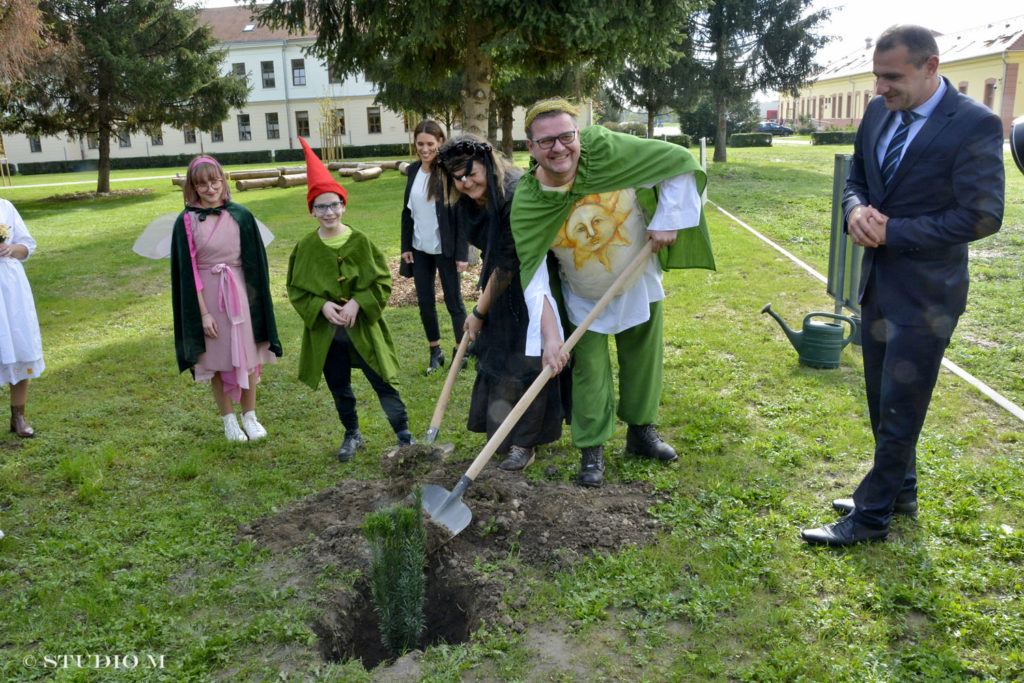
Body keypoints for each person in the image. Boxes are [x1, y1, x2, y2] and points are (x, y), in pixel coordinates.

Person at [801, 25, 1005, 546]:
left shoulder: (975, 124)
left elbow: (983, 217)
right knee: (879, 397)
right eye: (876, 76)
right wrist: (854, 211)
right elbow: (858, 178)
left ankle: (871, 517)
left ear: (931, 67)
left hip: (928, 295)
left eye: (892, 77)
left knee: (900, 405)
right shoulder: (876, 112)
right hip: (877, 285)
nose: (880, 88)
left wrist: (894, 231)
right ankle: (901, 493)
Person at [510, 98, 715, 487]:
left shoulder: (605, 150)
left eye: (567, 136)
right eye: (546, 141)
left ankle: (641, 434)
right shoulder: (529, 201)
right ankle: (592, 451)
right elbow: (534, 275)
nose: (559, 148)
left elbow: (677, 162)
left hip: (637, 278)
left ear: (577, 135)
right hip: (582, 296)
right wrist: (551, 337)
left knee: (643, 359)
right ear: (531, 148)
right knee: (590, 371)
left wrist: (667, 218)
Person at [436, 135, 569, 471]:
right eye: (458, 178)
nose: (466, 183)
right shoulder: (469, 201)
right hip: (498, 280)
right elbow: (492, 254)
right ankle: (503, 435)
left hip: (530, 280)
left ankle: (525, 444)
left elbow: (511, 261)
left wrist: (479, 311)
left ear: (489, 164)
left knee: (526, 359)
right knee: (498, 356)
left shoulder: (515, 194)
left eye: (471, 173)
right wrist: (483, 306)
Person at [287, 138, 414, 462]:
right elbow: (297, 289)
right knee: (339, 385)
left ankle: (404, 436)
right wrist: (322, 306)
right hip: (328, 334)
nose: (328, 212)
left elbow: (382, 281)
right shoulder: (305, 248)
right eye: (321, 206)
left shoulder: (360, 242)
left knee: (382, 380)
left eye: (334, 205)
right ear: (312, 210)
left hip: (362, 327)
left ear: (343, 205)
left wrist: (359, 302)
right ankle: (352, 433)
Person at [171, 156, 281, 442]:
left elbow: (255, 263)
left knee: (246, 356)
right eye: (202, 184)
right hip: (207, 294)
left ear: (223, 180)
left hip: (240, 293)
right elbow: (188, 269)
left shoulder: (241, 215)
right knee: (218, 358)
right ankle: (229, 421)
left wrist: (254, 302)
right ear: (193, 188)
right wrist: (203, 313)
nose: (210, 188)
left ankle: (250, 416)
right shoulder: (186, 221)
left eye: (214, 181)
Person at [400, 120, 469, 373]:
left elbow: (461, 215)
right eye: (420, 144)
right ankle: (435, 352)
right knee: (425, 302)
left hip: (446, 249)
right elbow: (407, 212)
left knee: (454, 302)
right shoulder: (413, 170)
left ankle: (461, 352)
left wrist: (463, 254)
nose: (425, 149)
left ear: (440, 142)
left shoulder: (448, 173)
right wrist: (405, 246)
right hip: (420, 250)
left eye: (430, 143)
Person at [0, 198, 44, 438]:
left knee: (18, 345)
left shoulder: (5, 207)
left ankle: (18, 416)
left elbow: (27, 245)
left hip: (10, 287)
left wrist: (11, 249)